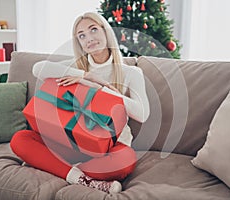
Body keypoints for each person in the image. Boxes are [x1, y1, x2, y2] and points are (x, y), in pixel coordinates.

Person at [10, 12, 150, 194]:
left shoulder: (130, 72)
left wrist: (101, 89)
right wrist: (85, 76)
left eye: (93, 30)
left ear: (106, 32)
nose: (88, 38)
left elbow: (142, 113)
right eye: (82, 35)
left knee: (126, 161)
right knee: (20, 139)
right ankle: (82, 178)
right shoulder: (77, 67)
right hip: (70, 140)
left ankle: (56, 167)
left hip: (107, 146)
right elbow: (39, 68)